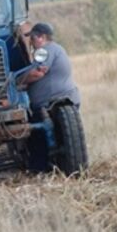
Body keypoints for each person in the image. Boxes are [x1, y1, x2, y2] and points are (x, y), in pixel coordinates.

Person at [22, 22, 81, 171]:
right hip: (59, 101)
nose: (31, 42)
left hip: (51, 103)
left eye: (33, 38)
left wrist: (17, 81)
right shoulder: (55, 49)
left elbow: (37, 73)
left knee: (35, 135)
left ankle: (40, 169)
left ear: (41, 37)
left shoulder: (45, 51)